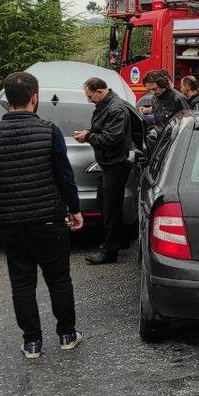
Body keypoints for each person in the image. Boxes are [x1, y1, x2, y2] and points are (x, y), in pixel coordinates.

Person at [0, 71, 84, 359]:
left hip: (11, 223)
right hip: (49, 219)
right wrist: (74, 210)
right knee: (59, 279)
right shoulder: (49, 131)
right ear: (34, 98)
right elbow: (64, 176)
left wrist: (0, 210)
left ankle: (32, 342)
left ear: (7, 100)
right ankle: (66, 334)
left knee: (22, 282)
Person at [75, 77, 133, 264]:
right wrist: (90, 132)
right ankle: (119, 239)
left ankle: (110, 250)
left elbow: (111, 138)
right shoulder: (107, 105)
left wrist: (88, 136)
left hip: (115, 164)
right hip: (108, 163)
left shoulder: (115, 108)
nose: (89, 100)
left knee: (110, 208)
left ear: (100, 91)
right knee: (107, 205)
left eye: (90, 96)